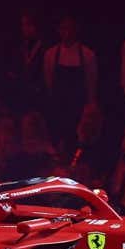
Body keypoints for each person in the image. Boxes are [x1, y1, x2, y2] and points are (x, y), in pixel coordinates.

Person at [43, 16, 98, 152]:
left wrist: (90, 106)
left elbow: (91, 83)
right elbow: (49, 82)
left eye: (70, 29)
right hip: (58, 108)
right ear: (58, 30)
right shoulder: (51, 54)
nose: (67, 32)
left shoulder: (87, 54)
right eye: (63, 28)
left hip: (79, 108)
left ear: (76, 30)